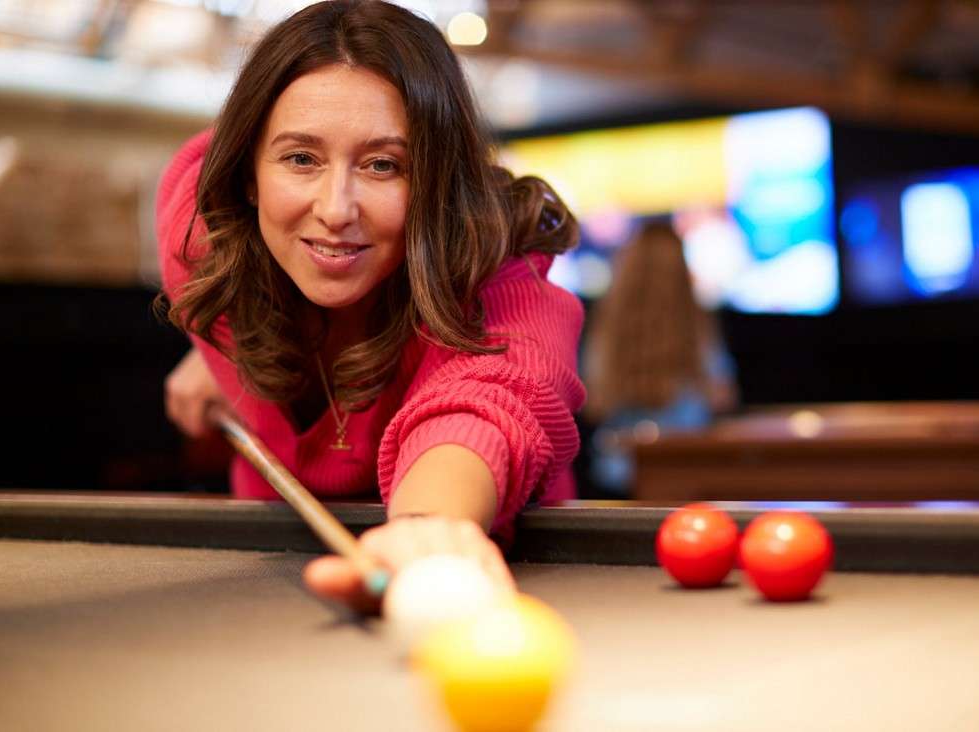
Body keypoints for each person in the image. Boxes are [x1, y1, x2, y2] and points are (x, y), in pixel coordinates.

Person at [156, 0, 583, 612]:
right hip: (266, 569)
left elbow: (494, 396)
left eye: (384, 165)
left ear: (434, 180)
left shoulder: (502, 272)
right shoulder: (198, 235)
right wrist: (220, 344)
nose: (336, 209)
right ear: (249, 173)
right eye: (301, 158)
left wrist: (429, 527)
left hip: (474, 555)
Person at [581, 220, 737, 495]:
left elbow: (593, 404)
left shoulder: (607, 324)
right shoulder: (697, 322)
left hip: (617, 479)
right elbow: (722, 397)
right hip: (689, 473)